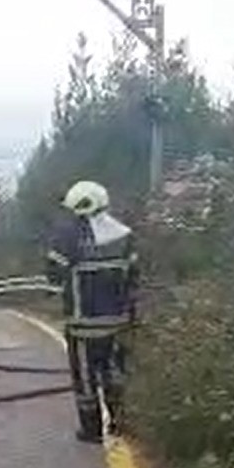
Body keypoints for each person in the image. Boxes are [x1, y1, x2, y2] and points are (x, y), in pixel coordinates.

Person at [45, 180, 139, 443]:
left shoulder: (67, 236)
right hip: (118, 321)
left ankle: (91, 429)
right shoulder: (124, 235)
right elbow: (134, 278)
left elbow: (53, 276)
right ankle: (122, 422)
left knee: (85, 377)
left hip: (83, 323)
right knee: (115, 372)